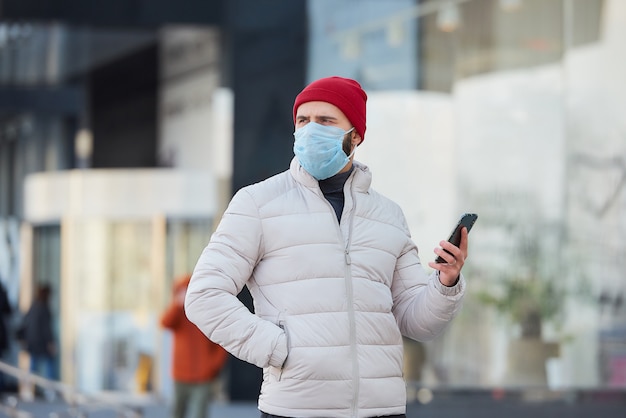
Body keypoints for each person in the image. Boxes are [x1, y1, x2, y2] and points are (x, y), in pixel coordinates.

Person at [185, 76, 468, 418]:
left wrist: (445, 283)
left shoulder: (388, 215)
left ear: (355, 136)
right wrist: (278, 349)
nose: (310, 130)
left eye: (326, 121)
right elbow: (204, 295)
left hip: (382, 408)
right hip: (296, 408)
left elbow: (417, 322)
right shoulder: (257, 203)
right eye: (303, 121)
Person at [160, 274, 228, 418]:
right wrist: (177, 304)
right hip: (180, 374)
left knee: (199, 414)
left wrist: (212, 366)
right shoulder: (178, 312)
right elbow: (165, 322)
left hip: (202, 376)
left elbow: (220, 343)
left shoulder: (209, 312)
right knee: (176, 413)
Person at [19, 284, 56, 381]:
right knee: (49, 363)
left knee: (34, 365)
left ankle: (29, 386)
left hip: (31, 340)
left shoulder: (34, 306)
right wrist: (50, 342)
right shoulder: (44, 308)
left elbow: (25, 321)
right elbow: (46, 328)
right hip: (40, 342)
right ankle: (50, 388)